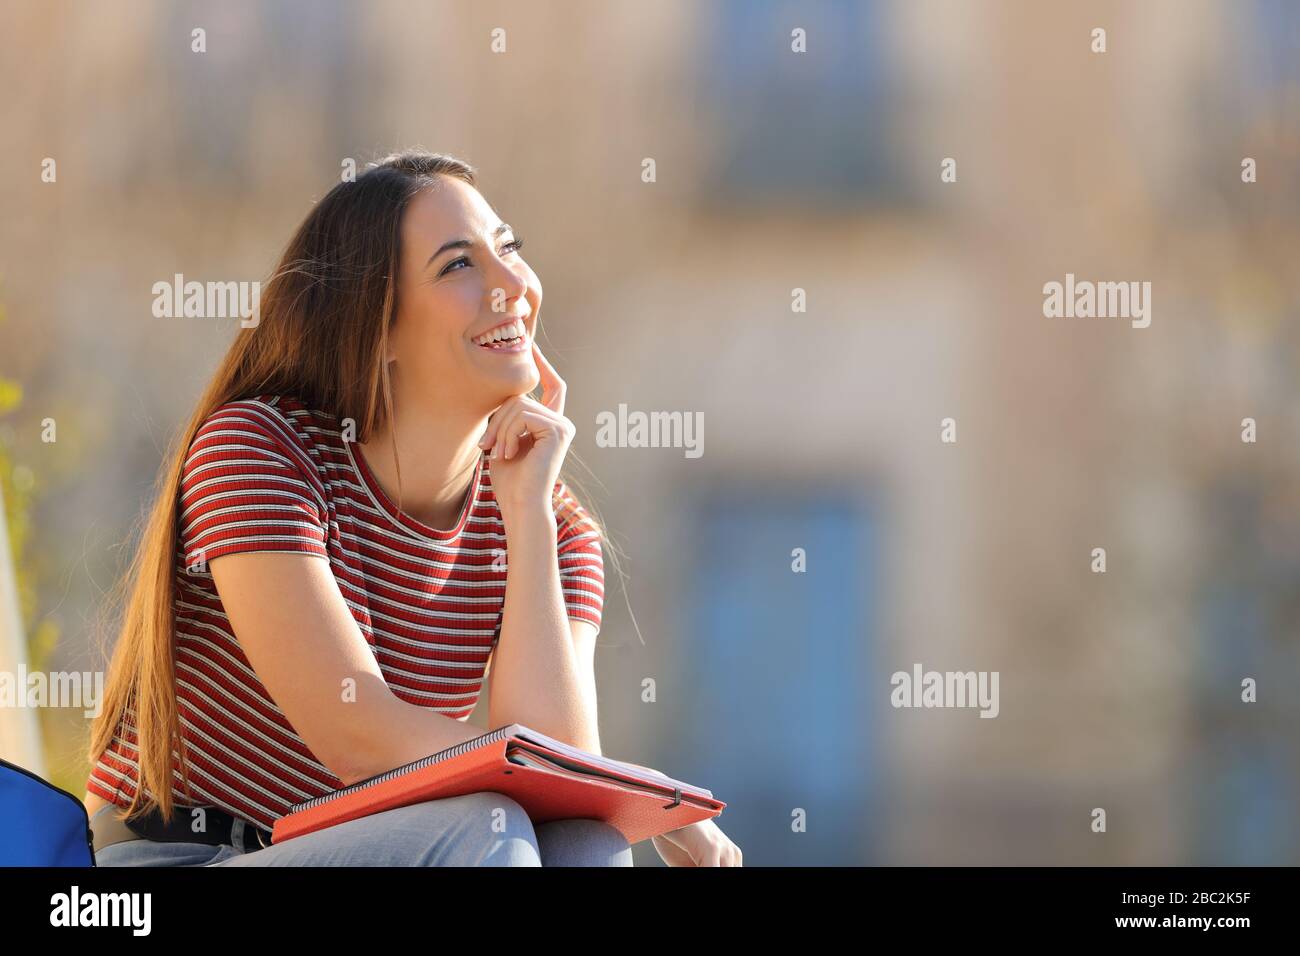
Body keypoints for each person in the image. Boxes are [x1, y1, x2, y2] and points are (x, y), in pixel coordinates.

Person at [82, 150, 741, 867]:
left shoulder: (552, 525)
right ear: (379, 330)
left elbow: (561, 782)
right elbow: (358, 739)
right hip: (178, 859)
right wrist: (637, 787)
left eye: (509, 249)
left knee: (583, 842)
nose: (510, 286)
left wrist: (526, 515)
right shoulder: (261, 449)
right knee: (487, 826)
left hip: (381, 848)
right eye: (459, 265)